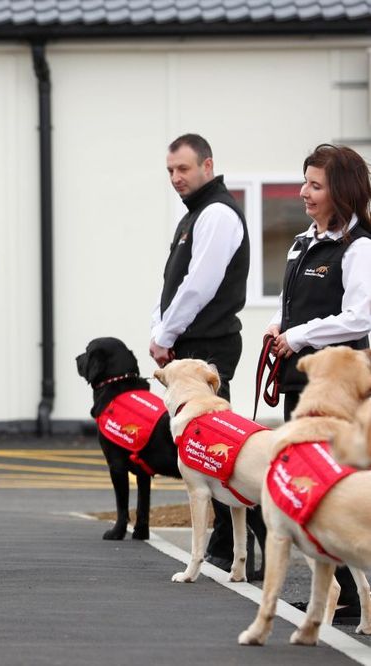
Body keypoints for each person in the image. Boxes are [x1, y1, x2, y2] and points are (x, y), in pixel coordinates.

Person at [149, 133, 262, 573]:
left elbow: (200, 284)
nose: (176, 178)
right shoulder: (193, 217)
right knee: (207, 450)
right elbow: (172, 284)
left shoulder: (217, 214)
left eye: (184, 169)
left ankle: (251, 547)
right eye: (170, 171)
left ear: (207, 166)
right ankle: (223, 550)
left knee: (222, 451)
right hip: (188, 345)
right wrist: (160, 331)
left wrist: (166, 334)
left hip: (209, 347)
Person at [268, 143, 371, 623]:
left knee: (340, 482)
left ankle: (354, 592)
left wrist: (299, 334)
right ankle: (342, 592)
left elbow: (360, 317)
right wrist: (277, 324)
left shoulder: (360, 247)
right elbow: (293, 301)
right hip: (300, 380)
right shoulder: (303, 241)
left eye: (315, 185)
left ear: (342, 191)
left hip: (339, 386)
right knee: (317, 482)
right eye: (304, 182)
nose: (304, 193)